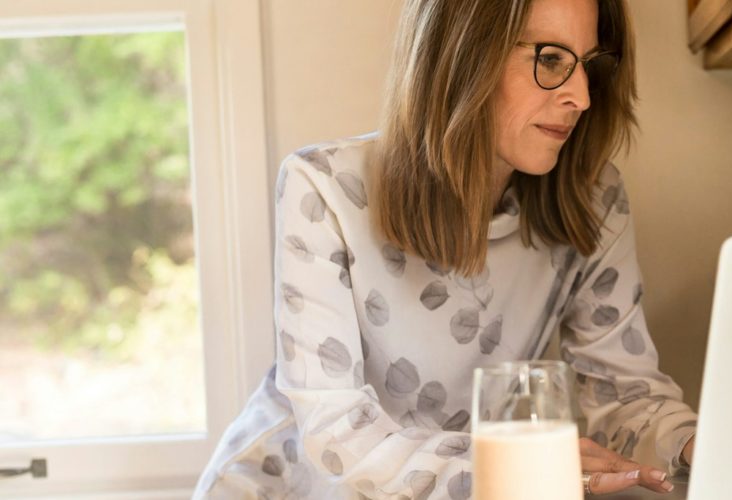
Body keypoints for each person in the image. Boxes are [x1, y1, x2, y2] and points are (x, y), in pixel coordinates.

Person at [193, 0, 696, 497]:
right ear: (463, 55)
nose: (582, 97)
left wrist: (696, 443)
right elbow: (338, 436)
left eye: (588, 65)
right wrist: (522, 466)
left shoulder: (593, 201)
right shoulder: (324, 188)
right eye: (550, 60)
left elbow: (626, 397)